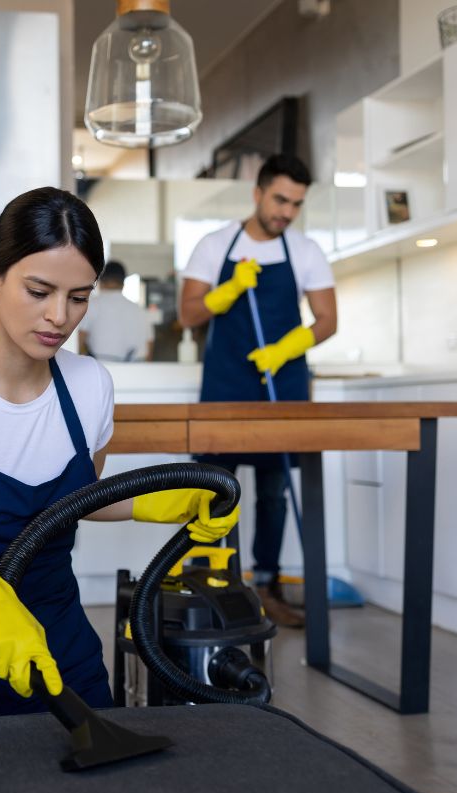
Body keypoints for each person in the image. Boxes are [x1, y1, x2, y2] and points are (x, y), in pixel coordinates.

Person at [0, 187, 240, 724]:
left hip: (61, 651)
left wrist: (161, 501)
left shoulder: (90, 385)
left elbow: (73, 501)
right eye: (39, 291)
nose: (58, 318)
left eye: (78, 297)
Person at [178, 153, 338, 628]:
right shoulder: (214, 244)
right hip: (227, 382)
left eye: (296, 203)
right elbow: (188, 315)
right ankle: (212, 583)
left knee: (274, 491)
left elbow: (328, 319)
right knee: (211, 486)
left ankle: (266, 585)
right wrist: (225, 293)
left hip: (282, 383)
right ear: (258, 193)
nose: (287, 212)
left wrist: (289, 347)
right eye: (280, 199)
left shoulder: (306, 251)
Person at [78, 260, 153, 362]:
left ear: (100, 281)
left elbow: (79, 341)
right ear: (123, 283)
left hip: (101, 370)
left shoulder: (91, 305)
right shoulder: (140, 310)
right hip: (137, 371)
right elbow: (149, 348)